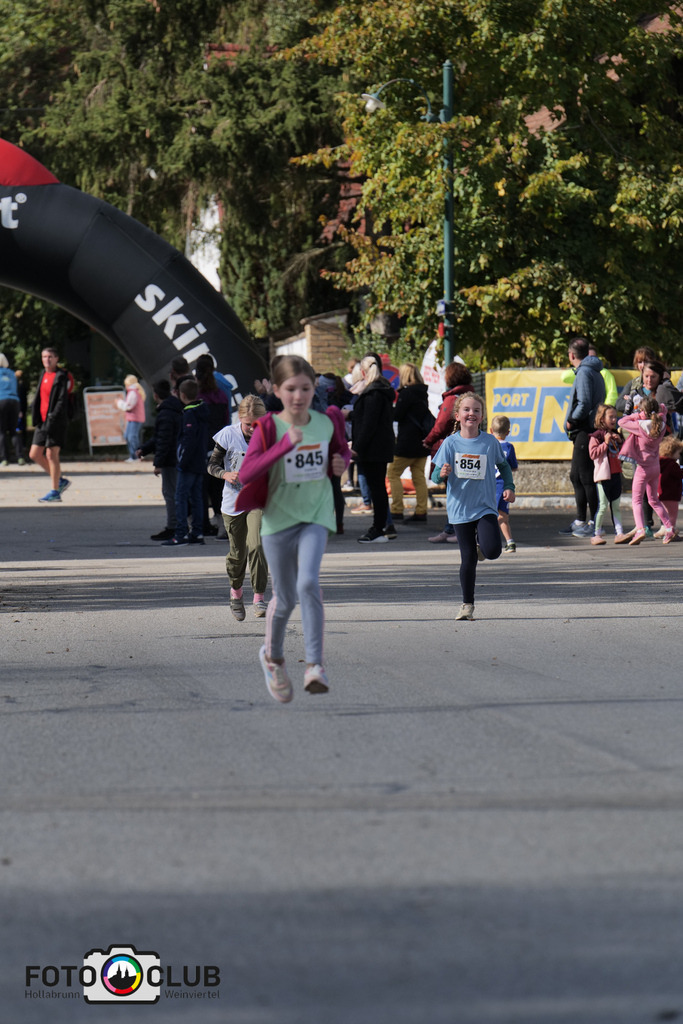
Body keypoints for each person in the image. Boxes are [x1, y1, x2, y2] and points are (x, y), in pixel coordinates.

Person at [236, 355, 350, 702]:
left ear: (314, 388)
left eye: (305, 388)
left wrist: (339, 463)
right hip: (277, 520)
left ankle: (315, 666)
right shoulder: (269, 427)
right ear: (278, 390)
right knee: (284, 598)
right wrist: (283, 447)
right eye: (291, 389)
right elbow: (247, 472)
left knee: (308, 583)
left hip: (315, 515)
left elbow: (342, 453)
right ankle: (272, 658)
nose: (298, 396)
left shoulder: (327, 420)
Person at [431, 393, 515, 621]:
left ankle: (483, 547)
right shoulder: (450, 443)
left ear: (482, 416)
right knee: (467, 558)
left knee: (493, 551)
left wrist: (509, 486)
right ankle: (467, 605)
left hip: (485, 507)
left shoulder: (489, 442)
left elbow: (504, 466)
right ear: (457, 416)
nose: (471, 413)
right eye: (467, 410)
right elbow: (435, 475)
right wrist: (443, 473)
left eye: (476, 410)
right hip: (459, 509)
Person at [207, 394, 269, 621]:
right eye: (248, 424)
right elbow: (212, 465)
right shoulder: (228, 435)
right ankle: (236, 592)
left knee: (257, 545)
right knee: (237, 554)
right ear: (240, 419)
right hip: (232, 503)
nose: (253, 429)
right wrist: (225, 474)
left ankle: (259, 597)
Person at [559, 336, 605, 537]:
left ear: (571, 355)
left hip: (585, 429)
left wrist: (572, 419)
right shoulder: (589, 371)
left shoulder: (585, 372)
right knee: (576, 475)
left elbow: (584, 402)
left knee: (585, 476)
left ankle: (594, 522)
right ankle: (580, 519)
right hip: (584, 430)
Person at [424, 361, 474, 543]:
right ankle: (453, 528)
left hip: (451, 449)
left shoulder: (453, 399)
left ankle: (456, 530)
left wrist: (428, 440)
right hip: (468, 447)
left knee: (454, 491)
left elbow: (442, 424)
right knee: (462, 490)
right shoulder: (471, 395)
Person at [617, 396, 676, 545]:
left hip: (643, 468)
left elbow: (621, 422)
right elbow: (663, 407)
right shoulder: (661, 423)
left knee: (636, 500)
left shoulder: (640, 425)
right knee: (653, 500)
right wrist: (655, 408)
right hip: (655, 467)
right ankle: (669, 528)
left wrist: (637, 414)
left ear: (643, 411)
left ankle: (640, 529)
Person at [350, 354, 396, 544]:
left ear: (362, 372)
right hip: (380, 447)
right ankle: (382, 525)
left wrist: (357, 448)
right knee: (378, 488)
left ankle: (378, 527)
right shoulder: (381, 390)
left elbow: (368, 423)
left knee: (376, 488)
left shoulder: (373, 393)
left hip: (372, 449)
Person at [161, 378, 209, 546]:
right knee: (196, 497)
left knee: (180, 497)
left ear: (182, 395)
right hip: (200, 461)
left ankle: (181, 533)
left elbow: (188, 440)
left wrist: (181, 460)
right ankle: (198, 532)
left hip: (188, 463)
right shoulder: (202, 410)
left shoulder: (189, 414)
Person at [387, 363, 432, 523]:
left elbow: (398, 415)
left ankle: (397, 509)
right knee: (419, 477)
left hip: (407, 442)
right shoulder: (423, 393)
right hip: (422, 442)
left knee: (393, 473)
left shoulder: (406, 394)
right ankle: (421, 511)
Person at [138, 379, 183, 541]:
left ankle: (173, 526)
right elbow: (159, 438)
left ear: (155, 395)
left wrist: (158, 463)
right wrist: (144, 449)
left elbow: (163, 440)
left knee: (170, 493)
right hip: (178, 456)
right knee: (177, 493)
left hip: (170, 460)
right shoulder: (175, 409)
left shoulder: (165, 413)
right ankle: (179, 524)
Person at [29, 347, 72, 503]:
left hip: (56, 421)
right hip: (42, 420)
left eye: (50, 357)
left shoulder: (61, 376)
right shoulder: (44, 374)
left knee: (51, 454)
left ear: (56, 359)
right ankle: (60, 480)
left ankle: (55, 492)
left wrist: (53, 417)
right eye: (44, 357)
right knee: (34, 454)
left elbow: (62, 400)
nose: (47, 360)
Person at [195, 353, 232, 536]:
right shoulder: (222, 393)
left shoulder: (197, 396)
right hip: (218, 443)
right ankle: (222, 525)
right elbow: (226, 419)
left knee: (201, 487)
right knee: (218, 486)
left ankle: (201, 525)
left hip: (201, 444)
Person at [588, 404, 625, 545]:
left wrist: (620, 442)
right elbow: (593, 454)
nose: (614, 419)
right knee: (603, 505)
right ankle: (596, 533)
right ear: (602, 419)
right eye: (611, 417)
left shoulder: (616, 433)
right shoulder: (596, 436)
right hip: (603, 477)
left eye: (615, 416)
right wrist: (605, 443)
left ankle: (619, 532)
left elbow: (623, 452)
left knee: (616, 506)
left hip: (616, 474)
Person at [490, 414, 518, 552]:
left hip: (491, 486)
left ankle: (485, 540)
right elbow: (513, 466)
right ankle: (510, 541)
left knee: (488, 515)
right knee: (503, 516)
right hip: (504, 485)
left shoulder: (488, 445)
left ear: (490, 430)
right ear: (508, 432)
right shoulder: (509, 447)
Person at [655, 434, 683, 538]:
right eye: (678, 453)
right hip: (672, 494)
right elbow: (679, 474)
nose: (679, 455)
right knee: (672, 515)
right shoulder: (672, 464)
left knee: (665, 514)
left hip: (662, 493)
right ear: (672, 452)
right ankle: (670, 532)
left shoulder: (660, 462)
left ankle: (665, 529)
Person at [116, 374, 146, 461]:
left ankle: (136, 456)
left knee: (132, 437)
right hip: (133, 417)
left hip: (135, 418)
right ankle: (134, 456)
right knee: (128, 436)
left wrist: (119, 403)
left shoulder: (133, 392)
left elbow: (128, 406)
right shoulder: (135, 391)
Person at [0, 353, 21, 466]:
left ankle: (4, 458)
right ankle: (20, 457)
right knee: (13, 429)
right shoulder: (12, 374)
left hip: (1, 400)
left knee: (1, 431)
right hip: (14, 401)